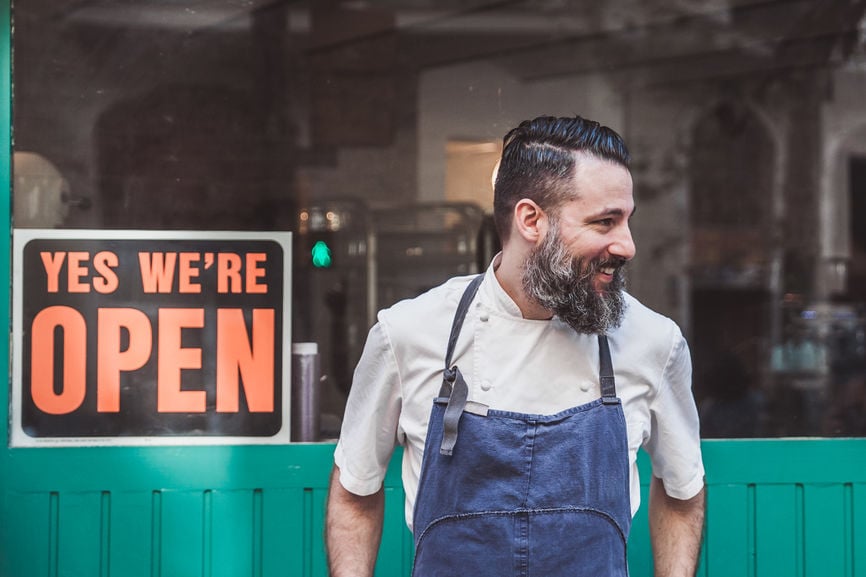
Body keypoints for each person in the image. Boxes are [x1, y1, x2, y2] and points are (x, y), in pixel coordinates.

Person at [325, 115, 706, 577]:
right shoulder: (408, 333)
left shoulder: (652, 341)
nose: (626, 245)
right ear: (531, 220)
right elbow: (354, 492)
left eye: (626, 221)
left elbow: (683, 491)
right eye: (604, 222)